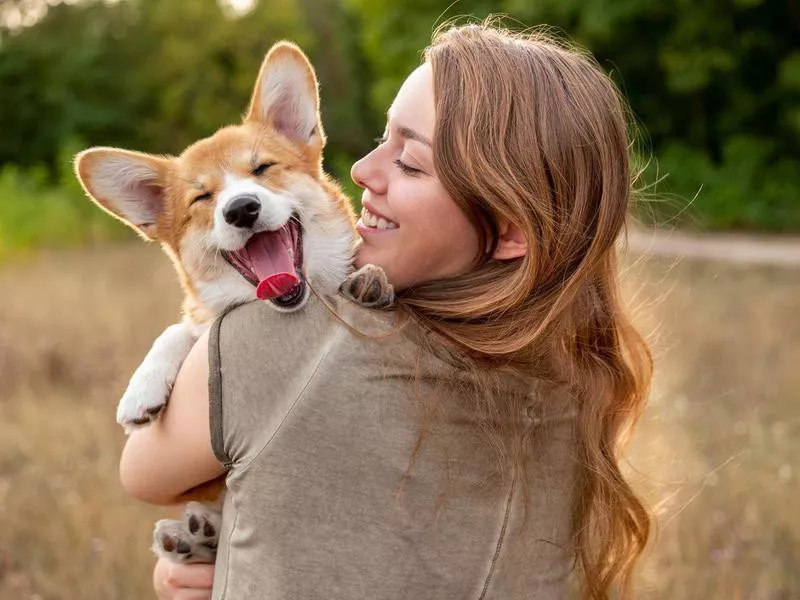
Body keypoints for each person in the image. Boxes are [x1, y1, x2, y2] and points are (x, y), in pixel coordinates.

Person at [121, 21, 653, 600]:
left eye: (411, 162)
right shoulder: (578, 378)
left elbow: (141, 473)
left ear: (508, 229)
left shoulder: (276, 343)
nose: (360, 171)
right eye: (383, 137)